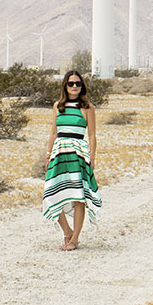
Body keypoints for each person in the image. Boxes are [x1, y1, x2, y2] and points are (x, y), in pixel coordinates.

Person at [42, 70, 100, 250]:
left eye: (78, 83)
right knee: (52, 193)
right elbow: (53, 132)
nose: (74, 86)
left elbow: (92, 134)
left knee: (78, 196)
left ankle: (75, 239)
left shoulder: (88, 107)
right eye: (71, 83)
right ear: (65, 86)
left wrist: (92, 157)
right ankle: (67, 231)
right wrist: (48, 154)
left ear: (82, 86)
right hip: (59, 152)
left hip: (78, 154)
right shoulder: (57, 105)